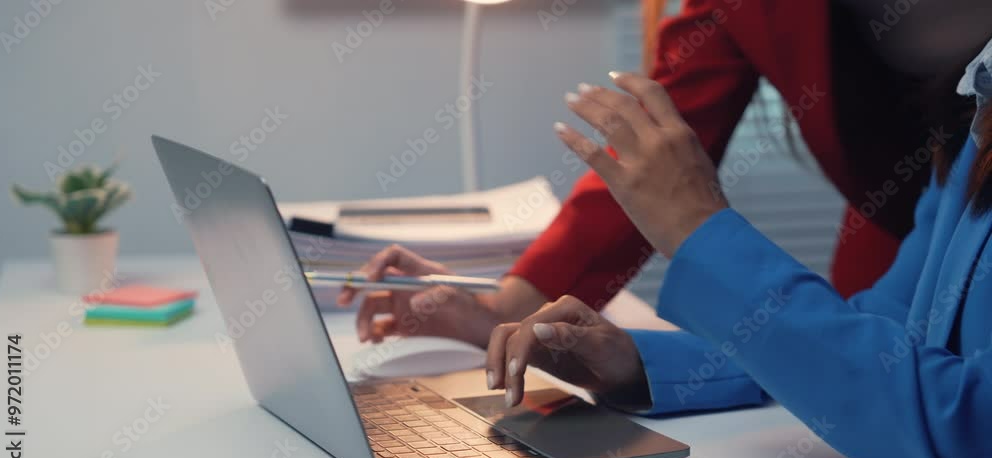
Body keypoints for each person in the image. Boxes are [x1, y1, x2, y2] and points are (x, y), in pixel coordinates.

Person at [339, 0, 992, 413]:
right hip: (931, 231)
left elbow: (956, 426)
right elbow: (658, 142)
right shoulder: (964, 131)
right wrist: (625, 360)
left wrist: (703, 230)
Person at [483, 36, 992, 458]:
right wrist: (635, 364)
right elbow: (886, 329)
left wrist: (699, 229)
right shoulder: (974, 100)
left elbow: (973, 432)